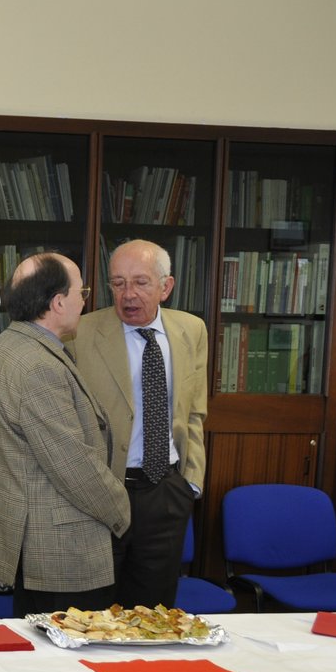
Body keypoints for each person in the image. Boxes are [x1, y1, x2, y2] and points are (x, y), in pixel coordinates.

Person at [0, 252, 129, 616]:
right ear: (58, 302)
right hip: (60, 551)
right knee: (68, 667)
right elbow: (74, 467)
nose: (84, 300)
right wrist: (122, 510)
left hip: (40, 545)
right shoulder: (37, 366)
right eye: (82, 291)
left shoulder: (11, 347)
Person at [68, 239, 208, 609]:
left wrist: (190, 482)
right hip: (103, 493)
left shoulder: (192, 331)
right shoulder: (81, 333)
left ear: (166, 286)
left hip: (165, 492)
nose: (127, 294)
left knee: (153, 616)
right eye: (118, 283)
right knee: (95, 613)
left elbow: (194, 412)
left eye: (140, 282)